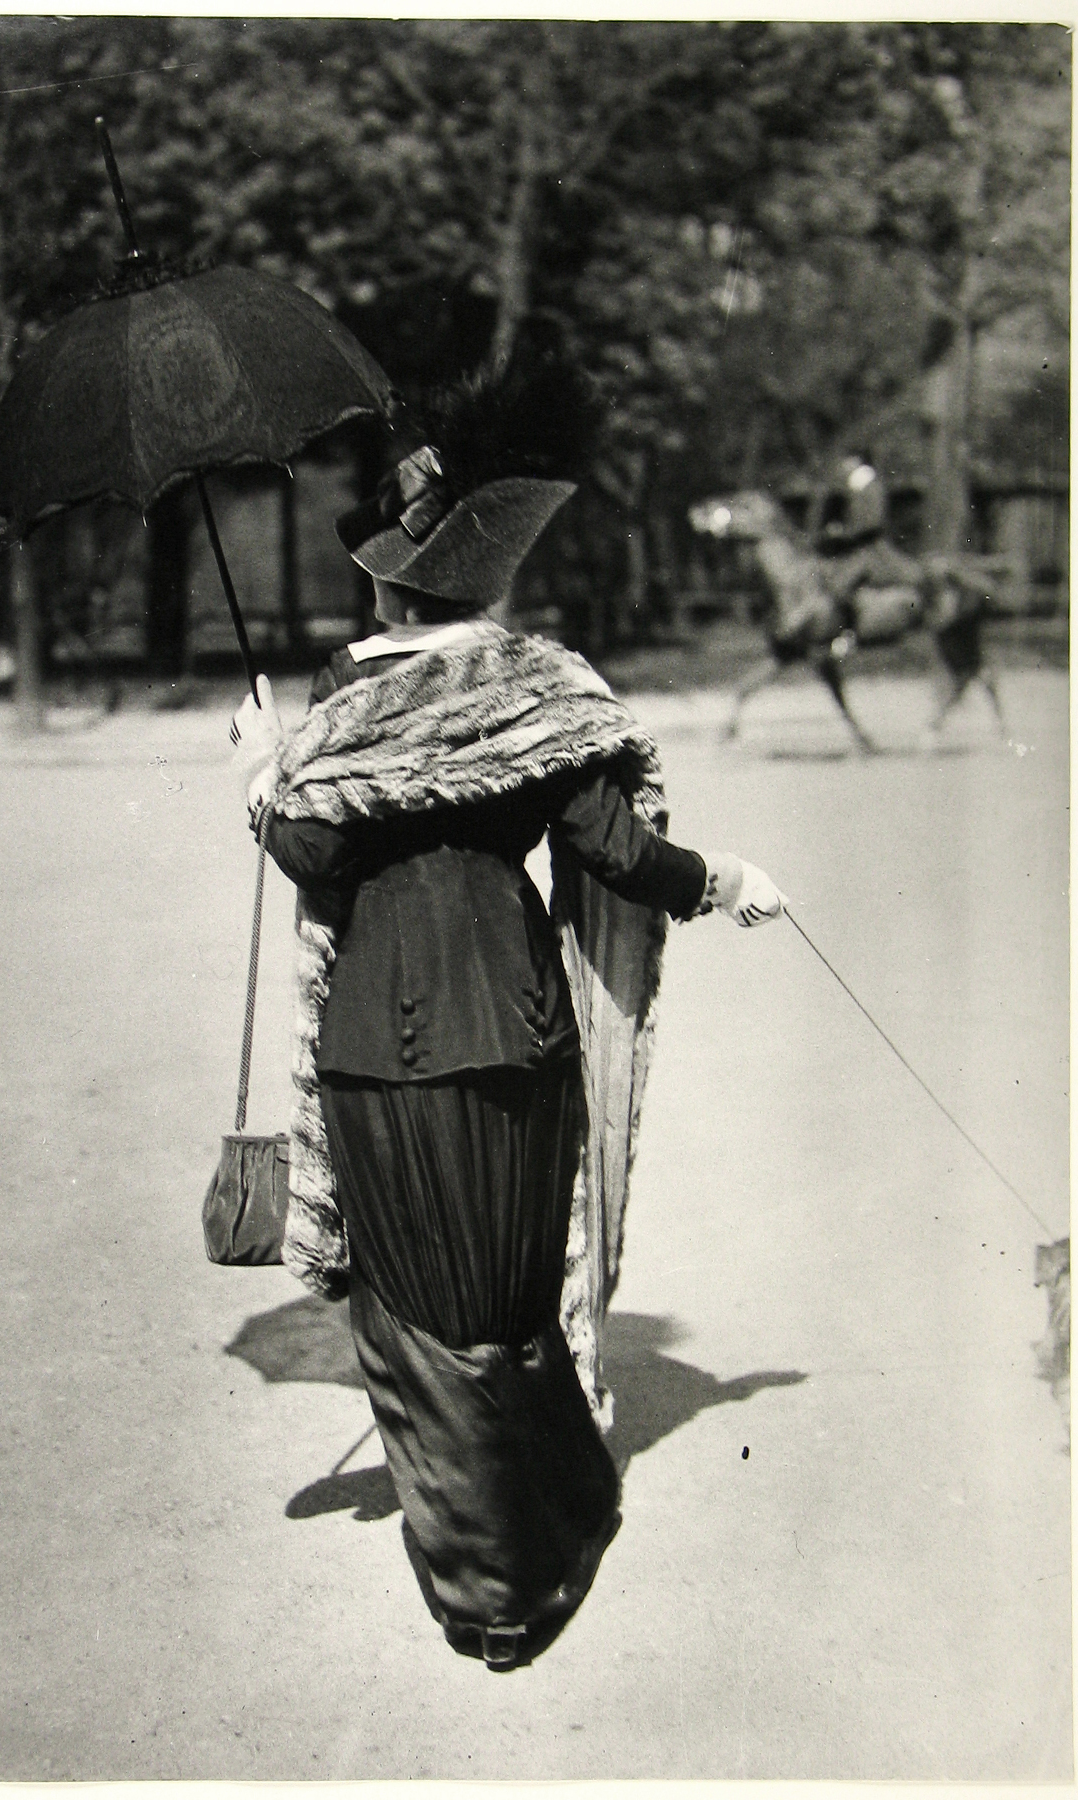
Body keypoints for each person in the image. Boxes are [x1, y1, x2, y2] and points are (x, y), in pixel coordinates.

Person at [227, 362, 787, 1669]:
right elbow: (613, 850)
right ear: (492, 571)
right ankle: (540, 1534)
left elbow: (311, 859)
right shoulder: (545, 688)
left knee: (415, 1320)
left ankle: (487, 1594)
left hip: (372, 1052)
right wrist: (728, 883)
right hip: (514, 1037)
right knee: (508, 1305)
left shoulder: (334, 703)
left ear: (388, 577)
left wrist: (265, 767)